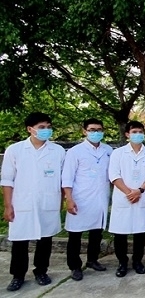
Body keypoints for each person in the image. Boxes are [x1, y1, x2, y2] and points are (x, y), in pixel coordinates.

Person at [1, 112, 65, 292]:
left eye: (49, 127)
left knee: (46, 239)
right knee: (20, 241)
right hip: (22, 203)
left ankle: (41, 271)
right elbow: (7, 180)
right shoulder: (15, 150)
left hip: (48, 202)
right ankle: (18, 275)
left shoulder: (58, 151)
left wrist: (61, 201)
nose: (46, 130)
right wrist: (8, 205)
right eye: (41, 127)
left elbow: (62, 180)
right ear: (30, 129)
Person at [62, 118, 113, 281]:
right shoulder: (74, 152)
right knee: (75, 235)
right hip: (80, 198)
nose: (96, 133)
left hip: (100, 198)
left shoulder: (108, 150)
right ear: (84, 131)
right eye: (92, 130)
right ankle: (75, 266)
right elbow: (67, 178)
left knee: (96, 232)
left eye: (99, 129)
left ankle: (92, 260)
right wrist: (68, 199)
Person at [108, 120, 145, 278]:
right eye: (134, 132)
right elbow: (114, 176)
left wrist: (140, 190)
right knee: (120, 234)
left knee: (140, 233)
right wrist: (129, 192)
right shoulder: (118, 153)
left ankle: (137, 261)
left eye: (141, 132)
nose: (138, 135)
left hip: (141, 196)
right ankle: (122, 263)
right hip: (124, 198)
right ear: (127, 134)